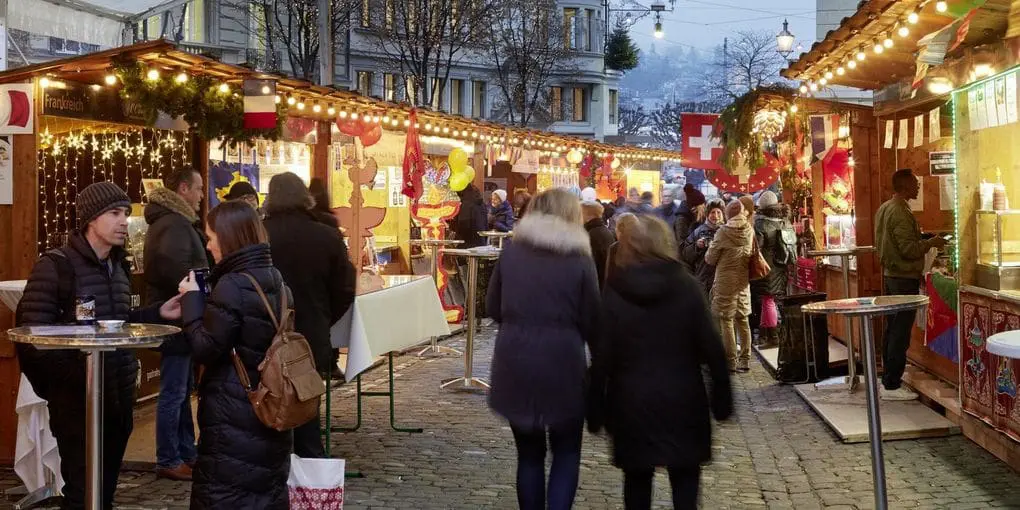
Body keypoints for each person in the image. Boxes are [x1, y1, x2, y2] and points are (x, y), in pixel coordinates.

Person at [15, 182, 182, 510]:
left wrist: (156, 313)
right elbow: (32, 338)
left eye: (125, 213)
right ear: (91, 219)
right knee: (82, 492)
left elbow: (120, 321)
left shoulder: (119, 266)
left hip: (117, 400)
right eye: (115, 213)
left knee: (103, 492)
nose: (124, 221)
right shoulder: (56, 266)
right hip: (77, 404)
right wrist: (70, 385)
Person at [589, 214, 732, 510]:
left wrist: (595, 408)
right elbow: (713, 349)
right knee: (685, 481)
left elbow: (602, 355)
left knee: (637, 482)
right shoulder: (687, 287)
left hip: (630, 400)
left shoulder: (616, 290)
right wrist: (722, 400)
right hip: (682, 398)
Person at [487, 189, 601, 510]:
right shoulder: (580, 259)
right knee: (566, 452)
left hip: (515, 360)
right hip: (563, 362)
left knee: (529, 455)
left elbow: (493, 306)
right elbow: (592, 317)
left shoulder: (511, 253)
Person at [178, 201, 292, 509]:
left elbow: (205, 347)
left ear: (228, 237)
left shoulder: (231, 285)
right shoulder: (277, 280)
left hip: (233, 411)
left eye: (211, 236)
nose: (208, 244)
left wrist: (192, 302)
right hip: (270, 405)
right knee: (263, 493)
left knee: (225, 495)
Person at [263, 172, 356, 457]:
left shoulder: (259, 232)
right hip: (312, 330)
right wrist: (324, 316)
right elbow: (345, 287)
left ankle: (272, 463)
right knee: (306, 403)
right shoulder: (325, 234)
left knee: (266, 396)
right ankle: (309, 466)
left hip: (266, 329)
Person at [144, 167, 211, 481]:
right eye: (198, 189)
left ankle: (185, 452)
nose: (201, 195)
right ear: (183, 189)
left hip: (180, 316)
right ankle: (169, 456)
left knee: (182, 390)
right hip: (175, 317)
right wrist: (200, 288)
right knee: (174, 391)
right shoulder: (174, 224)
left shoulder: (175, 222)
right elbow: (177, 273)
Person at [874, 169, 947, 401]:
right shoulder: (900, 212)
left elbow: (899, 243)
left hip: (891, 276)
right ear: (905, 186)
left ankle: (888, 379)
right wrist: (931, 243)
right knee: (900, 331)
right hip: (902, 278)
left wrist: (923, 239)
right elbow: (908, 250)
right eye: (915, 183)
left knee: (892, 328)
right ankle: (892, 384)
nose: (918, 187)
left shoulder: (886, 207)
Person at [706, 201, 755, 373]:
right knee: (742, 319)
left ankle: (730, 362)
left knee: (726, 320)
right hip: (743, 280)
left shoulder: (723, 232)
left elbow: (710, 259)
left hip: (725, 280)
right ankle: (745, 360)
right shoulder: (749, 229)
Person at [752, 191, 794, 348]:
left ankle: (774, 337)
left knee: (767, 301)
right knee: (771, 301)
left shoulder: (761, 223)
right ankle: (768, 334)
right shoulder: (785, 220)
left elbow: (756, 248)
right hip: (781, 266)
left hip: (766, 267)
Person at [683, 199, 726, 297]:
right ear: (707, 214)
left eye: (718, 212)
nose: (716, 216)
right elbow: (685, 254)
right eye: (712, 212)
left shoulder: (727, 231)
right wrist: (696, 246)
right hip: (703, 277)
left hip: (722, 278)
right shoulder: (698, 231)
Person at [582, 200, 616, 289]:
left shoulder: (593, 234)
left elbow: (592, 265)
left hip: (598, 285)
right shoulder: (602, 230)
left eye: (580, 213)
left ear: (589, 216)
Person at [454, 182, 487, 248]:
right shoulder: (481, 203)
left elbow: (464, 225)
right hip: (480, 242)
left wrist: (455, 235)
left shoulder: (466, 204)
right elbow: (486, 224)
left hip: (468, 244)